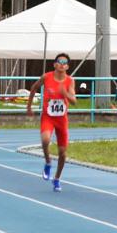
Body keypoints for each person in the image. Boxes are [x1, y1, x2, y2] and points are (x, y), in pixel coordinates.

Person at [27, 53, 76, 192]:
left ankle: (57, 179)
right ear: (54, 64)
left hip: (61, 119)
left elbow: (74, 100)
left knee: (62, 153)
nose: (61, 64)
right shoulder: (46, 77)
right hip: (48, 117)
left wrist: (65, 94)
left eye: (64, 62)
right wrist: (29, 106)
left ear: (67, 66)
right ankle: (48, 162)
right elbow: (34, 88)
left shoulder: (69, 81)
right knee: (45, 139)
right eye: (59, 61)